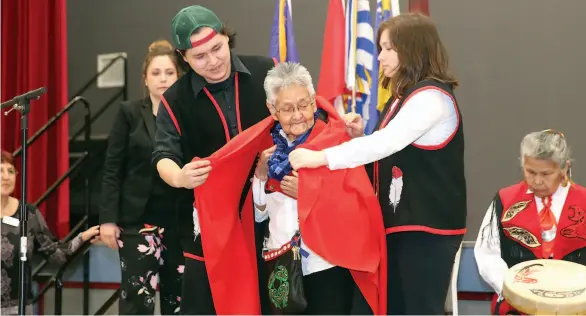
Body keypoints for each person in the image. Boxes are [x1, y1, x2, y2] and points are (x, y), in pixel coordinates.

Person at [289, 13, 466, 315]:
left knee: (418, 309)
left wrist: (320, 158)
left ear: (411, 49)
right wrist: (363, 136)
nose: (379, 56)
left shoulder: (431, 98)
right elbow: (391, 148)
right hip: (403, 226)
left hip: (427, 229)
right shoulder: (403, 97)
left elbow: (387, 143)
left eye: (387, 48)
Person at [152, 5, 277, 314]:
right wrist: (180, 176)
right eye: (200, 57)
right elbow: (163, 156)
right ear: (183, 57)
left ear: (225, 36)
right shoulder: (175, 99)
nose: (213, 61)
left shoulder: (267, 70)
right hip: (208, 227)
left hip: (272, 213)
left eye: (217, 48)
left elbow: (301, 120)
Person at [252, 62, 387, 314]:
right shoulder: (267, 150)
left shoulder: (335, 143)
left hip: (327, 262)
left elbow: (357, 205)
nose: (297, 115)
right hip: (281, 263)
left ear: (314, 102)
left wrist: (307, 194)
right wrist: (260, 176)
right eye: (287, 108)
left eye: (303, 105)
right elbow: (260, 215)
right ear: (272, 110)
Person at [99, 39, 184, 315]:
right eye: (156, 73)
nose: (163, 79)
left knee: (180, 301)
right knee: (137, 302)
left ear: (179, 76)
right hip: (138, 223)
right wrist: (108, 220)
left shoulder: (189, 114)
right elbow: (112, 168)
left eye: (169, 73)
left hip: (180, 222)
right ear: (145, 80)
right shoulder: (129, 113)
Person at [474, 130, 586, 314]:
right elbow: (487, 254)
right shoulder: (505, 200)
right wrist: (511, 289)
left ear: (565, 168)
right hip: (517, 304)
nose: (537, 181)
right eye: (530, 172)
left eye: (546, 173)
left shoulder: (584, 201)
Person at [1, 150, 100, 315]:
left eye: (11, 171)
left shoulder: (28, 213)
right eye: (0, 170)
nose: (6, 176)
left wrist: (84, 237)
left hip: (19, 309)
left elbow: (57, 255)